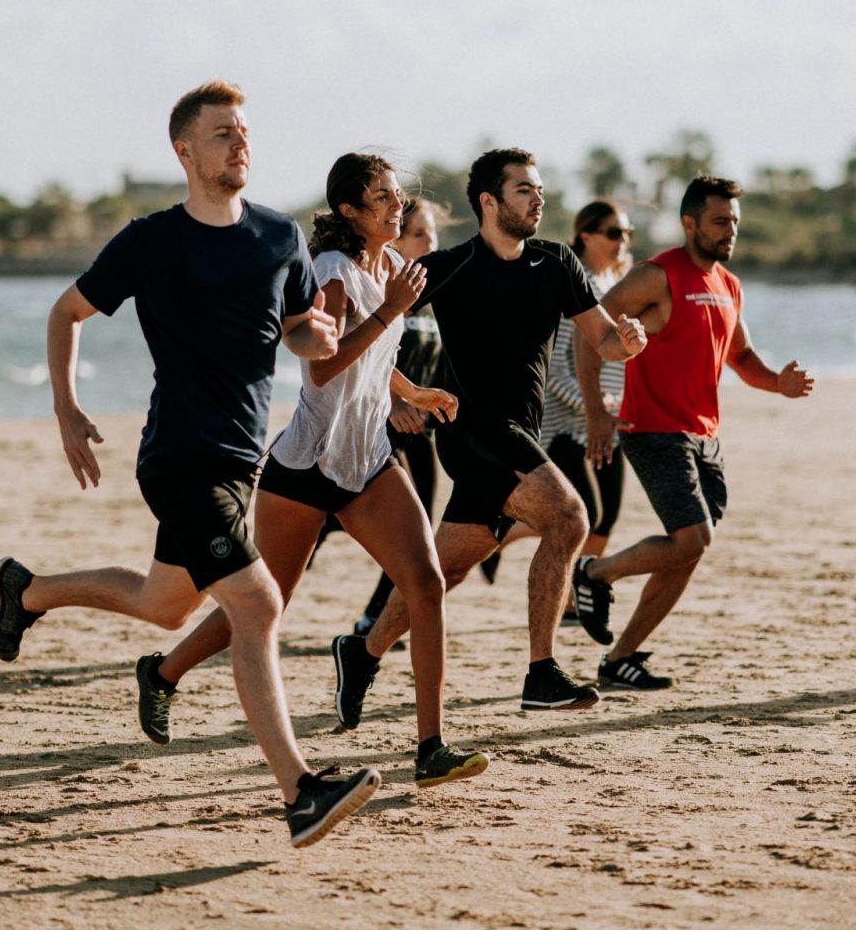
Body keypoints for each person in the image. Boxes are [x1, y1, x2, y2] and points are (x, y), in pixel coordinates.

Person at [0, 80, 380, 848]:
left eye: (245, 131)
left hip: (240, 460)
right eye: (224, 133)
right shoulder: (151, 240)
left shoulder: (278, 236)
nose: (241, 143)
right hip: (177, 458)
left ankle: (26, 590)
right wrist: (65, 407)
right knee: (258, 604)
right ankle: (300, 791)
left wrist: (319, 339)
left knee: (165, 605)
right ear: (185, 151)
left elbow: (300, 328)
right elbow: (66, 312)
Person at [134, 154, 489, 789]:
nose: (396, 203)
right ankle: (163, 673)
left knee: (426, 583)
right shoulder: (332, 273)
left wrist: (413, 393)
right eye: (380, 197)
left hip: (367, 460)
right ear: (351, 212)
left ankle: (430, 747)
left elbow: (372, 361)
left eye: (396, 193)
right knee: (267, 602)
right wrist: (391, 311)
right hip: (305, 465)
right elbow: (324, 367)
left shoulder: (389, 269)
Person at [332, 148, 648, 723]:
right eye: (524, 189)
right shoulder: (450, 266)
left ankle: (362, 651)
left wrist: (627, 341)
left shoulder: (556, 263)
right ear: (489, 201)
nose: (538, 198)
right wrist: (398, 398)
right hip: (473, 428)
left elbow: (603, 340)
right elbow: (371, 331)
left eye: (538, 189)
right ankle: (541, 672)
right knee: (569, 517)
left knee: (444, 571)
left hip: (518, 432)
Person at [571, 175, 815, 690]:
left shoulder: (728, 284)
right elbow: (587, 331)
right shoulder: (655, 276)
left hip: (705, 436)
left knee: (689, 549)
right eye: (720, 221)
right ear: (690, 224)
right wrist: (595, 411)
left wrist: (779, 384)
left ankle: (620, 659)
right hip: (653, 429)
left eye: (735, 223)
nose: (730, 231)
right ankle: (595, 574)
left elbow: (741, 358)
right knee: (693, 537)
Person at [477, 200, 636, 598]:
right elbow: (555, 369)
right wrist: (595, 408)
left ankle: (573, 598)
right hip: (567, 425)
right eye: (614, 233)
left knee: (606, 517)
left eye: (628, 234)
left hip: (607, 419)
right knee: (584, 514)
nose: (623, 241)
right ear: (587, 235)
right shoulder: (575, 283)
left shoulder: (612, 285)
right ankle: (500, 537)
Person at [351, 195, 448, 636]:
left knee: (418, 529)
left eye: (434, 233)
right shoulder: (383, 294)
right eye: (419, 234)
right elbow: (360, 356)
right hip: (381, 429)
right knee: (400, 530)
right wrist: (394, 403)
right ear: (397, 241)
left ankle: (374, 612)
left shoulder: (432, 298)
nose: (431, 242)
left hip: (421, 433)